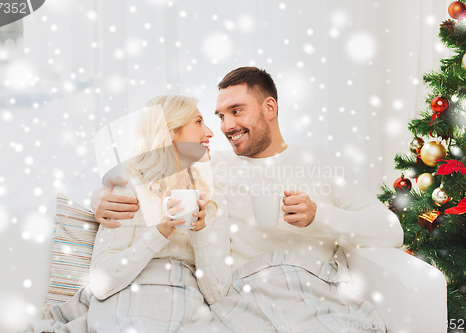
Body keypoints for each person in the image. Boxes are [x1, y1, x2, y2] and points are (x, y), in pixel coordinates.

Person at [92, 67, 404, 332]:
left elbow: (390, 230)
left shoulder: (322, 164)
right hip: (248, 294)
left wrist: (318, 215)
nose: (226, 126)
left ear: (269, 108)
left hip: (317, 289)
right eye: (220, 116)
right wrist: (99, 198)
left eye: (236, 111)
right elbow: (145, 169)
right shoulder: (209, 168)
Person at [74, 95, 233, 333]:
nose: (210, 132)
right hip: (129, 301)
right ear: (171, 133)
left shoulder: (211, 199)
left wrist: (199, 232)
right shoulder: (128, 189)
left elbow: (219, 294)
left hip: (186, 306)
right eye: (198, 122)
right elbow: (100, 284)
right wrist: (158, 234)